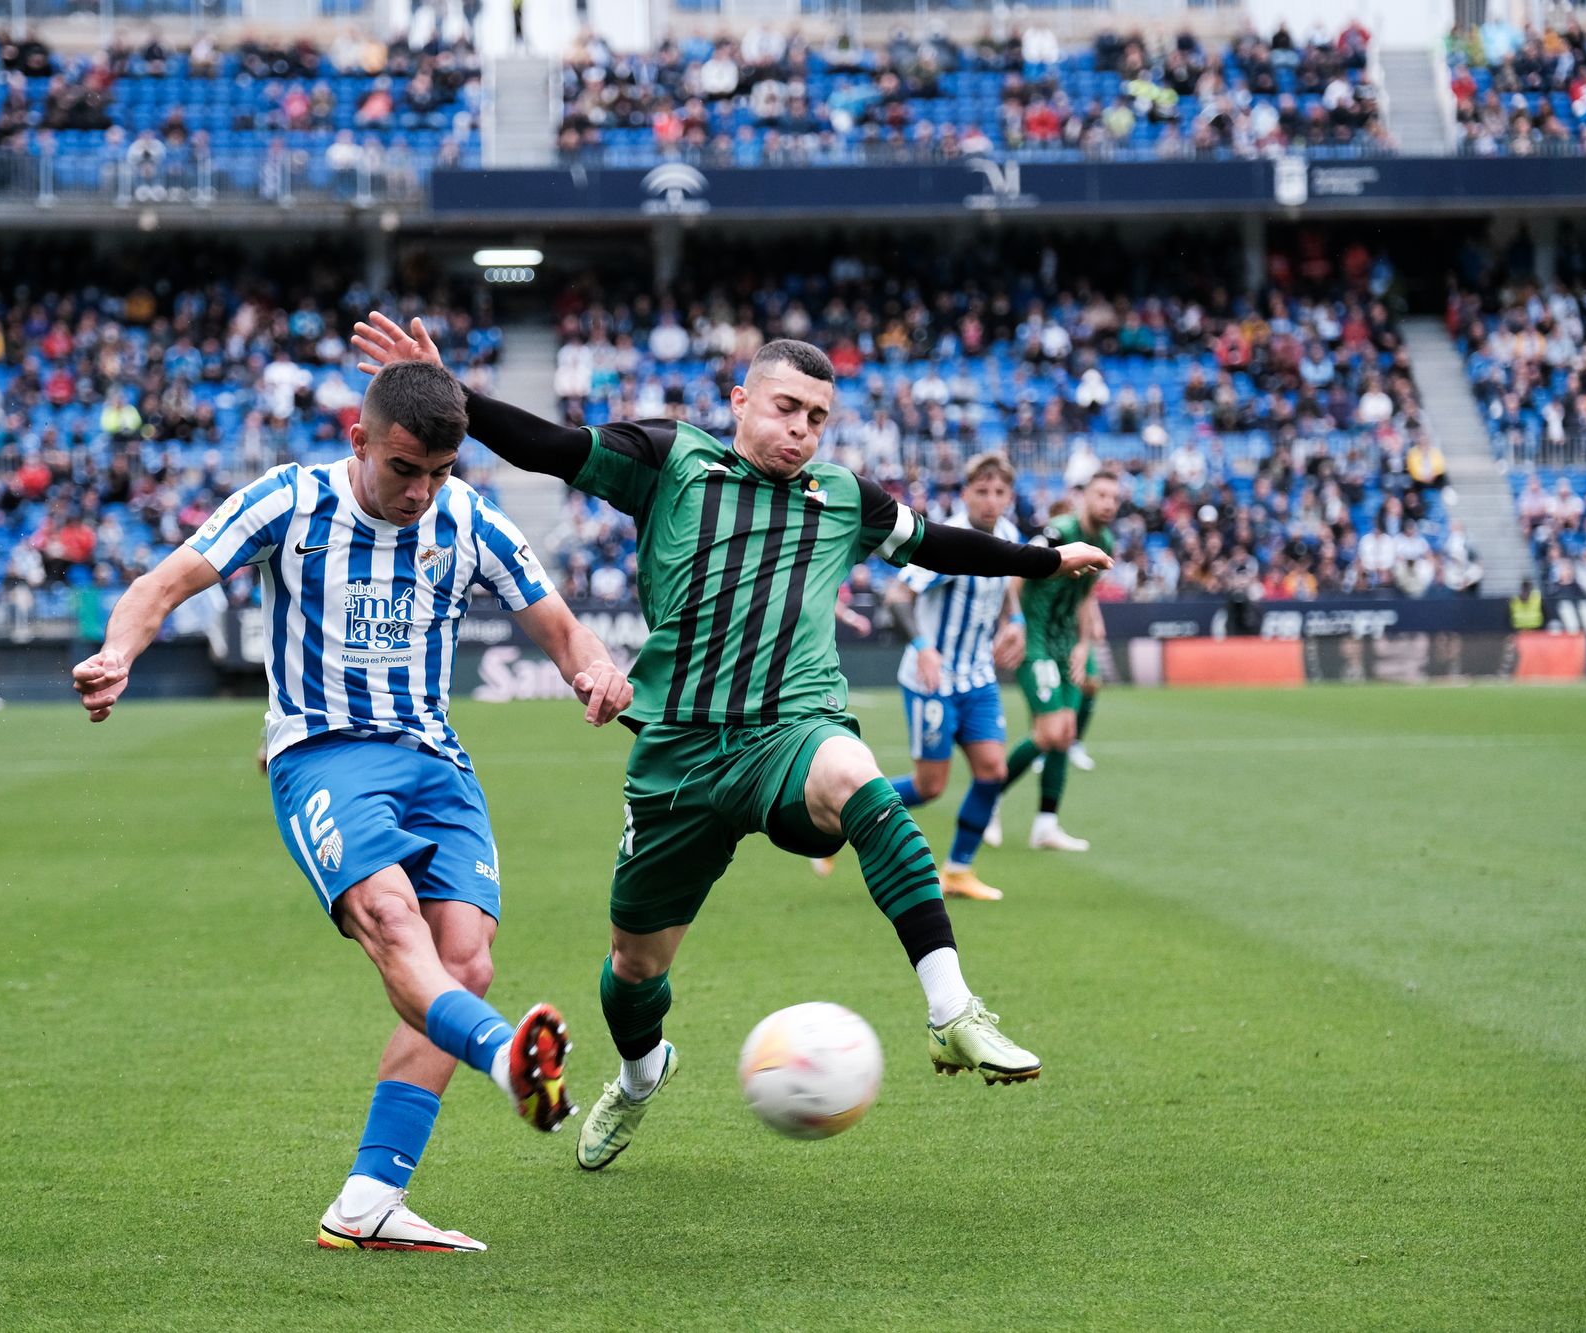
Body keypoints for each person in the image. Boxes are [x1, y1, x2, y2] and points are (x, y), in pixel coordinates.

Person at [352, 315, 1111, 1174]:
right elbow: (549, 448)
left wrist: (1043, 564)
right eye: (787, 407)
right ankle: (641, 1075)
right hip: (677, 755)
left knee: (858, 776)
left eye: (818, 418)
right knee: (634, 969)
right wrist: (456, 395)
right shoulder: (672, 461)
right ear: (741, 400)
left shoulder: (841, 498)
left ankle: (953, 1009)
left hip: (789, 731)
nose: (801, 430)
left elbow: (939, 541)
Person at [71, 361, 634, 1252]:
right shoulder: (288, 503)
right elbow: (165, 583)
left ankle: (368, 1201)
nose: (422, 491)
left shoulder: (469, 520)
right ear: (360, 440)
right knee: (389, 917)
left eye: (440, 472)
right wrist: (118, 652)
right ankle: (504, 1058)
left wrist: (594, 669)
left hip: (437, 764)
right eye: (406, 468)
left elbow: (563, 628)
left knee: (467, 964)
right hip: (324, 755)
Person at [814, 452, 1026, 900]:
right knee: (931, 786)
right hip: (932, 680)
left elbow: (1006, 585)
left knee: (993, 771)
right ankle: (836, 818)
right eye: (981, 491)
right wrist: (924, 646)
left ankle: (958, 870)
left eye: (1000, 492)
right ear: (965, 493)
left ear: (1010, 496)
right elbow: (898, 594)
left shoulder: (1008, 534)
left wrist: (1016, 623)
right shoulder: (948, 541)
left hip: (978, 677)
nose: (991, 500)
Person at [991, 477, 1120, 852]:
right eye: (1101, 495)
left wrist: (1083, 645)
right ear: (1085, 498)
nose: (1108, 503)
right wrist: (1011, 624)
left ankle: (1046, 826)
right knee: (1049, 733)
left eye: (1115, 497)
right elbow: (1015, 574)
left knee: (1064, 736)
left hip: (1066, 647)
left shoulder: (1107, 542)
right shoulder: (1059, 531)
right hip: (1036, 642)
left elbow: (1084, 598)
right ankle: (989, 797)